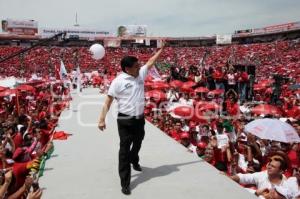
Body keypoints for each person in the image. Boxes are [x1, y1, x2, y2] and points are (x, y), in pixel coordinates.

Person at [98, 42, 165, 195]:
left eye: (139, 65)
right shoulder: (118, 82)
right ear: (127, 69)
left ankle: (134, 159)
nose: (139, 67)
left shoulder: (140, 73)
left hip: (139, 118)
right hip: (125, 120)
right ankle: (125, 182)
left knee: (139, 140)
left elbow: (150, 62)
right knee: (124, 150)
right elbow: (108, 101)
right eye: (136, 66)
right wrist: (101, 119)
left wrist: (162, 49)